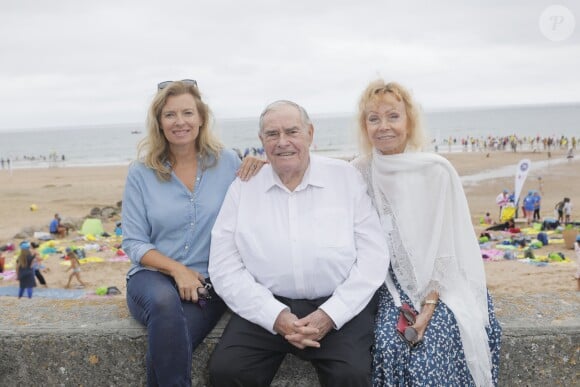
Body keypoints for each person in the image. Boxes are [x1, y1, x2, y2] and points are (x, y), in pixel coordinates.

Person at [208, 100, 389, 387]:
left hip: (337, 304)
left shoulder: (344, 177)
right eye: (272, 134)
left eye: (292, 132)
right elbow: (223, 265)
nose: (283, 142)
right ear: (261, 140)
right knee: (227, 371)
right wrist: (274, 315)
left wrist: (331, 314)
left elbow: (373, 255)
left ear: (310, 133)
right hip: (267, 306)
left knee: (351, 376)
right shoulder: (244, 187)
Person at [351, 80, 501, 386]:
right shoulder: (358, 171)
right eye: (373, 118)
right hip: (388, 285)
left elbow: (447, 249)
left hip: (440, 282)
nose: (383, 127)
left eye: (393, 116)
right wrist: (260, 163)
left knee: (439, 340)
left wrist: (429, 306)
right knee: (389, 344)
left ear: (409, 120)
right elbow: (308, 171)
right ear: (364, 125)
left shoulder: (436, 171)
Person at [121, 79, 265, 387]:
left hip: (209, 283)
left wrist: (263, 165)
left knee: (173, 340)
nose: (180, 122)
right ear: (159, 123)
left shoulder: (227, 162)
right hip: (152, 276)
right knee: (164, 303)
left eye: (187, 113)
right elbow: (133, 241)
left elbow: (259, 204)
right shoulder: (140, 171)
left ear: (201, 117)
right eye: (170, 115)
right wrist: (177, 271)